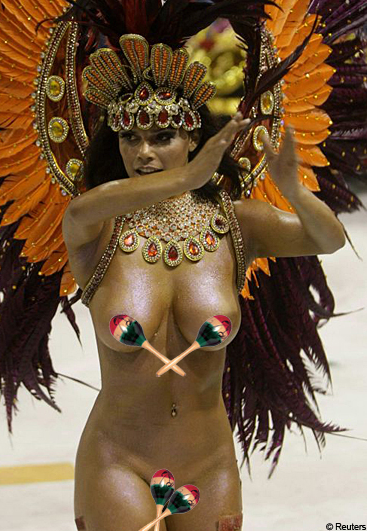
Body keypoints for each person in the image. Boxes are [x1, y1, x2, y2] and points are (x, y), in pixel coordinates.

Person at [62, 104, 345, 529]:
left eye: (162, 137)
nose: (143, 152)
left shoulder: (234, 223)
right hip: (119, 461)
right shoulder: (98, 228)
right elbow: (78, 211)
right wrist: (187, 178)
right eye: (130, 137)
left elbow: (328, 240)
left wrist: (294, 189)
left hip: (209, 465)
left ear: (194, 139)